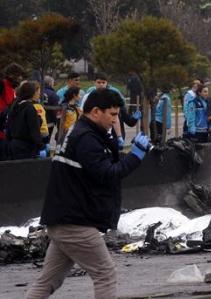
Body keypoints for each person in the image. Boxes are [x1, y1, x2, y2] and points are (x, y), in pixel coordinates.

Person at [23, 89, 150, 299]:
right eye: (112, 114)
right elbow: (107, 174)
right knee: (105, 274)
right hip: (75, 222)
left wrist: (122, 151)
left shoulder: (84, 132)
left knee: (48, 281)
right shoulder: (86, 138)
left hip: (63, 219)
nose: (115, 120)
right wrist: (135, 158)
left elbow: (100, 165)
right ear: (96, 111)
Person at [6, 82, 46, 160]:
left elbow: (8, 126)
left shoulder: (15, 106)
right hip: (26, 148)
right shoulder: (29, 108)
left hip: (13, 146)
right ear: (32, 93)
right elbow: (34, 129)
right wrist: (40, 146)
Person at [0, 63, 26, 143]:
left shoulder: (12, 90)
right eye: (19, 76)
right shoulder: (2, 85)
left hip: (7, 129)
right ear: (11, 75)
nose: (21, 78)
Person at [30, 81, 50, 154]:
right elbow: (41, 124)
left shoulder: (36, 105)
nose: (39, 93)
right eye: (38, 91)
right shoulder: (35, 106)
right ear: (34, 92)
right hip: (39, 139)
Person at [43, 76, 60, 141]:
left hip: (36, 122)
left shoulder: (37, 92)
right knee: (46, 142)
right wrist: (57, 124)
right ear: (51, 84)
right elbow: (55, 111)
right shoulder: (53, 95)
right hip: (49, 123)